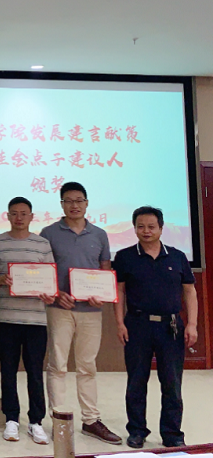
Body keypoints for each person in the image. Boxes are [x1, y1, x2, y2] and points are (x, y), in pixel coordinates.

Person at [39, 182, 122, 445]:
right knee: (58, 365)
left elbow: (105, 270)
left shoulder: (99, 234)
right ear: (61, 204)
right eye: (68, 201)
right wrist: (55, 293)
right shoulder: (49, 233)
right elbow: (43, 271)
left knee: (87, 366)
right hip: (59, 309)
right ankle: (59, 420)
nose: (74, 205)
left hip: (91, 310)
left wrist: (103, 294)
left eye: (79, 200)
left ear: (86, 203)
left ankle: (91, 420)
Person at [113, 206, 198, 449]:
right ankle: (137, 430)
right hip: (137, 325)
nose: (146, 231)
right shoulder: (125, 256)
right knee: (136, 380)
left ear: (161, 228)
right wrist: (119, 323)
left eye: (151, 226)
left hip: (171, 326)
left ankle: (172, 433)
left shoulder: (177, 257)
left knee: (171, 382)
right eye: (140, 226)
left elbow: (190, 291)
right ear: (134, 228)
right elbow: (119, 291)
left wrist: (192, 324)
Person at [0, 197, 55, 445]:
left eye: (23, 213)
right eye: (14, 213)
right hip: (6, 317)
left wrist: (49, 292)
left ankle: (36, 421)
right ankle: (11, 419)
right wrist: (0, 279)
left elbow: (50, 278)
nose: (19, 218)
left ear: (31, 216)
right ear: (7, 216)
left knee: (35, 372)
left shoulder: (42, 244)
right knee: (8, 371)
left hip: (36, 320)